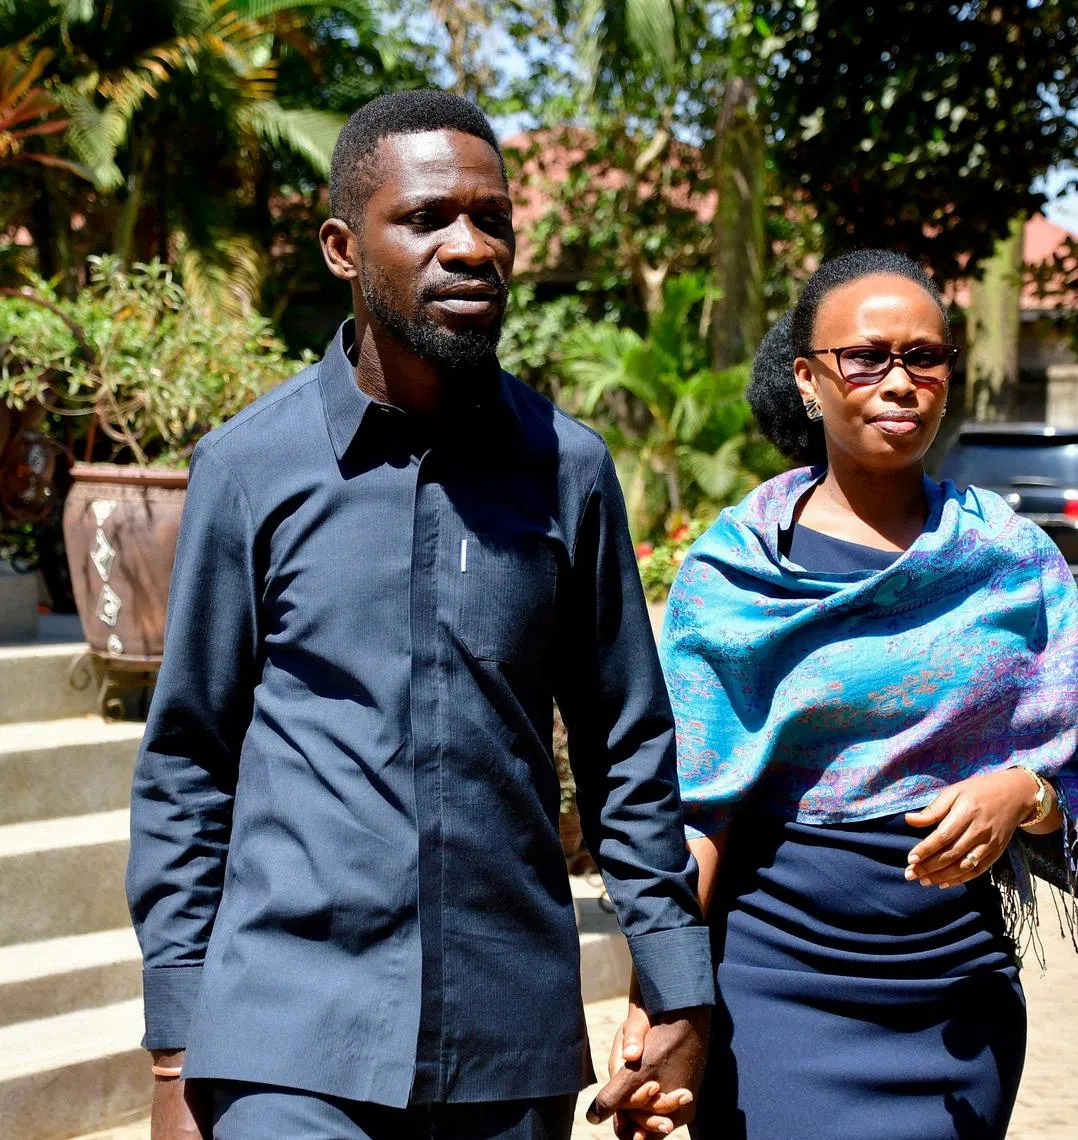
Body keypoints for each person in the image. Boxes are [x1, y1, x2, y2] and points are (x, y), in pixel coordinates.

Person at [126, 89, 712, 1140]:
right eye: (430, 218)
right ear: (345, 247)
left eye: (493, 219)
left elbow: (628, 741)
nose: (471, 247)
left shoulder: (567, 470)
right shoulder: (249, 470)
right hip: (285, 1040)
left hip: (506, 1043)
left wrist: (675, 982)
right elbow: (189, 759)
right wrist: (177, 1050)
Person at [612, 250, 1078, 1140]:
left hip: (957, 994)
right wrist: (662, 1002)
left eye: (925, 357)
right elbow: (696, 811)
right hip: (778, 983)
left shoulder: (1011, 563)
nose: (901, 381)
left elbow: (1072, 779)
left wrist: (1021, 794)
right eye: (868, 357)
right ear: (809, 378)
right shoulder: (736, 573)